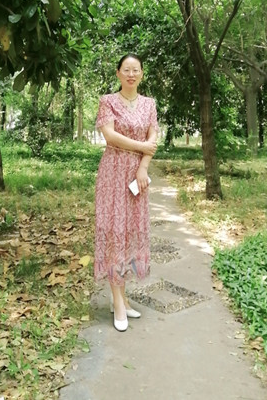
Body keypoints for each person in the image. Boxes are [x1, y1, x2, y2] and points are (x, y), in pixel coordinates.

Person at [94, 53, 158, 332]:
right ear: (118, 73)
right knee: (113, 233)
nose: (131, 74)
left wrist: (143, 167)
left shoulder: (149, 104)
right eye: (126, 70)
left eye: (136, 70)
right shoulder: (107, 101)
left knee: (130, 233)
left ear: (141, 74)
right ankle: (118, 302)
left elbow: (153, 138)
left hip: (137, 176)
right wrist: (142, 147)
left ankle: (121, 296)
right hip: (113, 172)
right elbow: (110, 136)